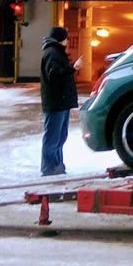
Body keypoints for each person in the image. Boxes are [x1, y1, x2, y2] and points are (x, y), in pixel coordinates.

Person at [40, 25, 81, 176]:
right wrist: (72, 68)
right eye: (66, 39)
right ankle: (49, 168)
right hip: (56, 102)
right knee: (53, 137)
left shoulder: (56, 52)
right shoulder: (52, 54)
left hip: (61, 102)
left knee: (60, 137)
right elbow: (54, 75)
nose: (67, 42)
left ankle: (57, 165)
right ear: (61, 39)